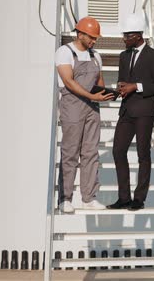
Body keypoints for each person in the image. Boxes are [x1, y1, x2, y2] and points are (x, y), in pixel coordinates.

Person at [107, 14, 154, 211]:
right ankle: (123, 197)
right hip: (126, 111)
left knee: (143, 154)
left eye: (127, 35)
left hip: (144, 112)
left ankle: (139, 199)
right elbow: (123, 80)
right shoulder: (124, 56)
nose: (124, 39)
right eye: (124, 35)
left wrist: (136, 86)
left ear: (139, 36)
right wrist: (119, 88)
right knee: (118, 151)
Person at [55, 16, 114, 213]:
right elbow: (69, 81)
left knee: (90, 152)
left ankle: (88, 197)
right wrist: (91, 96)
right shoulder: (65, 53)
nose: (94, 41)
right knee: (70, 152)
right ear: (80, 34)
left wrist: (106, 94)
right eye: (92, 37)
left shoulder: (96, 56)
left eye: (96, 38)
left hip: (92, 108)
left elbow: (100, 80)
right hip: (72, 106)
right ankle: (65, 198)